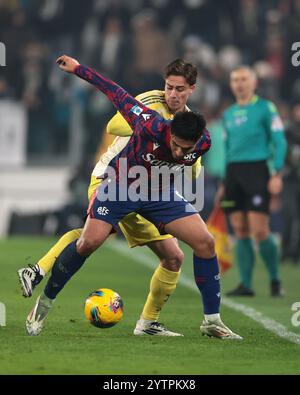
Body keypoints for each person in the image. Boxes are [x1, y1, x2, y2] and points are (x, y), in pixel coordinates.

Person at [25, 54, 242, 340]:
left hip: (159, 193)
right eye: (175, 145)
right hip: (121, 187)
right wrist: (78, 68)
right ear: (169, 132)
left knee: (204, 243)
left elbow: (190, 164)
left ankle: (211, 321)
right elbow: (113, 90)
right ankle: (42, 306)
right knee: (88, 242)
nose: (179, 153)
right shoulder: (149, 122)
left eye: (184, 149)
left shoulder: (203, 141)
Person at [215, 66, 287, 297]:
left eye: (244, 79)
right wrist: (225, 182)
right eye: (235, 79)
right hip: (234, 175)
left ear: (254, 83)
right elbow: (227, 150)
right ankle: (246, 284)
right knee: (240, 229)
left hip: (257, 171)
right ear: (231, 84)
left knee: (260, 230)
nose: (239, 83)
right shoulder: (228, 114)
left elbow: (280, 142)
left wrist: (276, 173)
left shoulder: (265, 108)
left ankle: (275, 280)